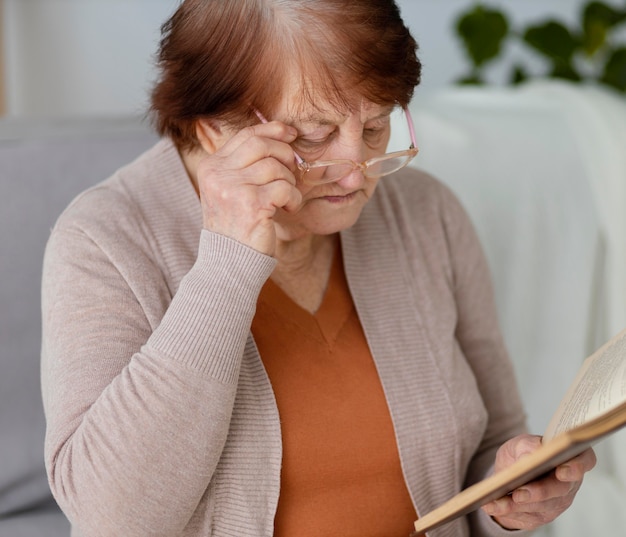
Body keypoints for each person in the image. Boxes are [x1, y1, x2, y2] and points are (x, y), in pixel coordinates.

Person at [40, 1, 596, 536]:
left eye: (376, 127)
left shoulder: (429, 214)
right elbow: (113, 520)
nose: (357, 176)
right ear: (212, 127)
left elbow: (490, 445)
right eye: (313, 135)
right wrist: (227, 264)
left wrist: (507, 499)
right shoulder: (103, 239)